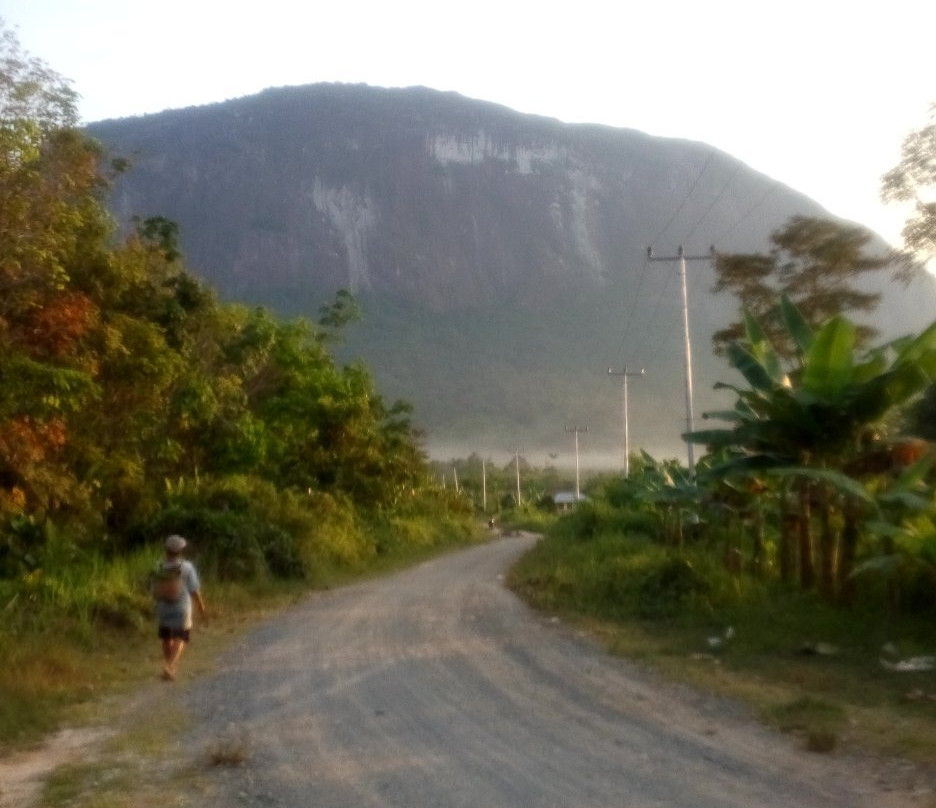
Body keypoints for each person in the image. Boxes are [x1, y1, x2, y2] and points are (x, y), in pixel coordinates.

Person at [154, 534, 206, 681]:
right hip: (181, 607)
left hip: (163, 606)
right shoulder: (187, 567)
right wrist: (201, 606)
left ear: (166, 550)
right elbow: (194, 590)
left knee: (166, 637)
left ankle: (169, 666)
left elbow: (153, 587)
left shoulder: (158, 566)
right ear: (181, 551)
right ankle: (170, 666)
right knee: (180, 637)